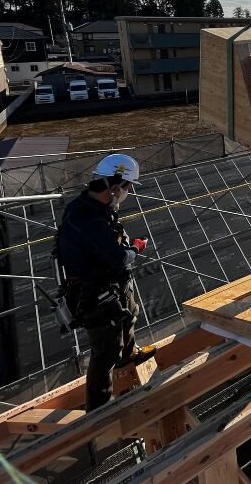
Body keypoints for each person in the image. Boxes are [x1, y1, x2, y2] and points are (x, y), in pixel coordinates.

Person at [56, 154, 155, 411]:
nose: (128, 193)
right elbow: (120, 258)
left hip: (110, 285)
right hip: (96, 294)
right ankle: (98, 409)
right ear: (115, 188)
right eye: (128, 188)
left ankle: (128, 355)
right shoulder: (90, 222)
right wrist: (136, 247)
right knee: (105, 352)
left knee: (129, 313)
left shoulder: (89, 207)